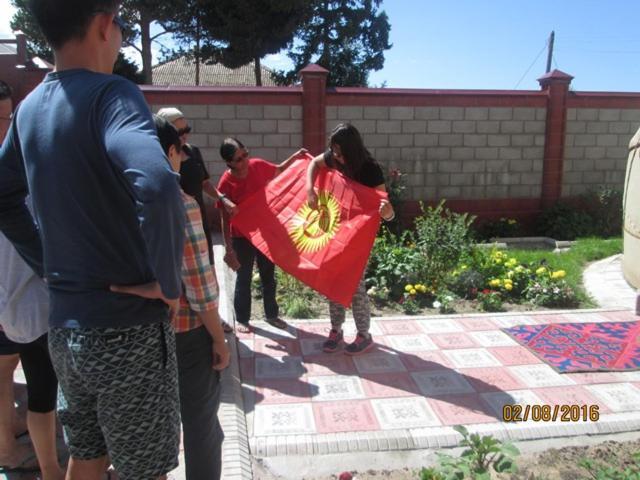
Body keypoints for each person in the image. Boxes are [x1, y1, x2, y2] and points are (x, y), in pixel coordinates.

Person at [0, 2, 185, 479]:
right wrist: (168, 282)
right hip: (127, 327)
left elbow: (2, 196)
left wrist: (46, 262)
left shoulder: (29, 111)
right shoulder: (112, 95)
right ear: (104, 25)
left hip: (65, 329)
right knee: (145, 471)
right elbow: (160, 185)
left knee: (87, 456)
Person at [114, 116, 230, 480]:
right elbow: (197, 284)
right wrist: (218, 337)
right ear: (170, 152)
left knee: (145, 429)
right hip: (184, 334)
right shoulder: (180, 203)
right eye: (181, 150)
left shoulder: (116, 199)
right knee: (200, 427)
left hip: (130, 330)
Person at [0, 80, 64, 479]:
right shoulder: (15, 179)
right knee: (43, 389)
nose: (6, 125)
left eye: (7, 116)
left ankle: (8, 446)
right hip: (28, 301)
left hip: (13, 301)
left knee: (9, 372)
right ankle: (50, 469)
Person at [306, 123, 395, 355]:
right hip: (338, 229)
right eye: (333, 151)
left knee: (355, 286)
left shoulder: (370, 169)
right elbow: (314, 163)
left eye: (339, 152)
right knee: (334, 280)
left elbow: (385, 208)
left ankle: (364, 335)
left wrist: (387, 212)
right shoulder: (335, 157)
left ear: (351, 150)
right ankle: (336, 330)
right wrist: (310, 189)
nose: (335, 156)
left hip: (359, 236)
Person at [157, 107, 237, 333]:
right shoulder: (163, 156)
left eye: (187, 129)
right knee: (180, 276)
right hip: (174, 224)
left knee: (207, 270)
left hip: (198, 224)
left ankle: (212, 317)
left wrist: (222, 198)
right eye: (179, 130)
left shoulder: (193, 152)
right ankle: (184, 322)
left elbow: (204, 183)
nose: (185, 134)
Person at [217, 138, 307, 333]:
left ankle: (272, 315)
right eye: (239, 159)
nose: (244, 160)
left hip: (265, 232)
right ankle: (242, 319)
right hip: (241, 237)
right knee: (244, 277)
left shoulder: (257, 166)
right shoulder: (226, 183)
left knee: (268, 275)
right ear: (229, 162)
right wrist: (229, 248)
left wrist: (296, 157)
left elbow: (280, 170)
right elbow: (224, 217)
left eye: (245, 154)